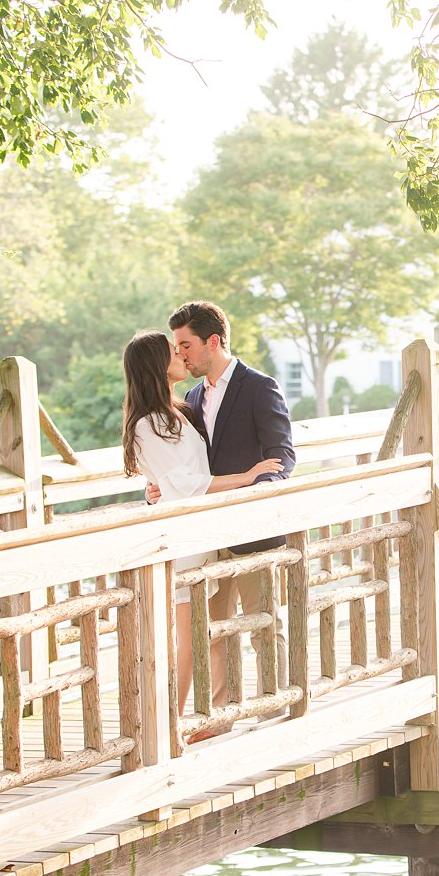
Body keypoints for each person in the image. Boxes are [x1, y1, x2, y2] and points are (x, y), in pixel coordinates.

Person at [121, 330, 282, 714]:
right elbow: (183, 482)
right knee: (190, 639)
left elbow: (180, 473)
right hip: (185, 539)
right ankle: (168, 722)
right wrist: (246, 476)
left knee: (204, 634)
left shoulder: (181, 408)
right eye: (172, 350)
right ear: (155, 366)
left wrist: (158, 485)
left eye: (183, 346)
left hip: (208, 534)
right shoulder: (147, 424)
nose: (180, 354)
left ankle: (190, 717)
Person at [155, 300, 297, 709]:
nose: (180, 354)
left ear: (212, 341)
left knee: (264, 626)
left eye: (185, 345)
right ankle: (224, 714)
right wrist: (162, 487)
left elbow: (282, 455)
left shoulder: (259, 386)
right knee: (216, 630)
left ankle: (276, 707)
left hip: (255, 528)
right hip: (208, 534)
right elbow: (191, 463)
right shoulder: (192, 395)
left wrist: (259, 489)